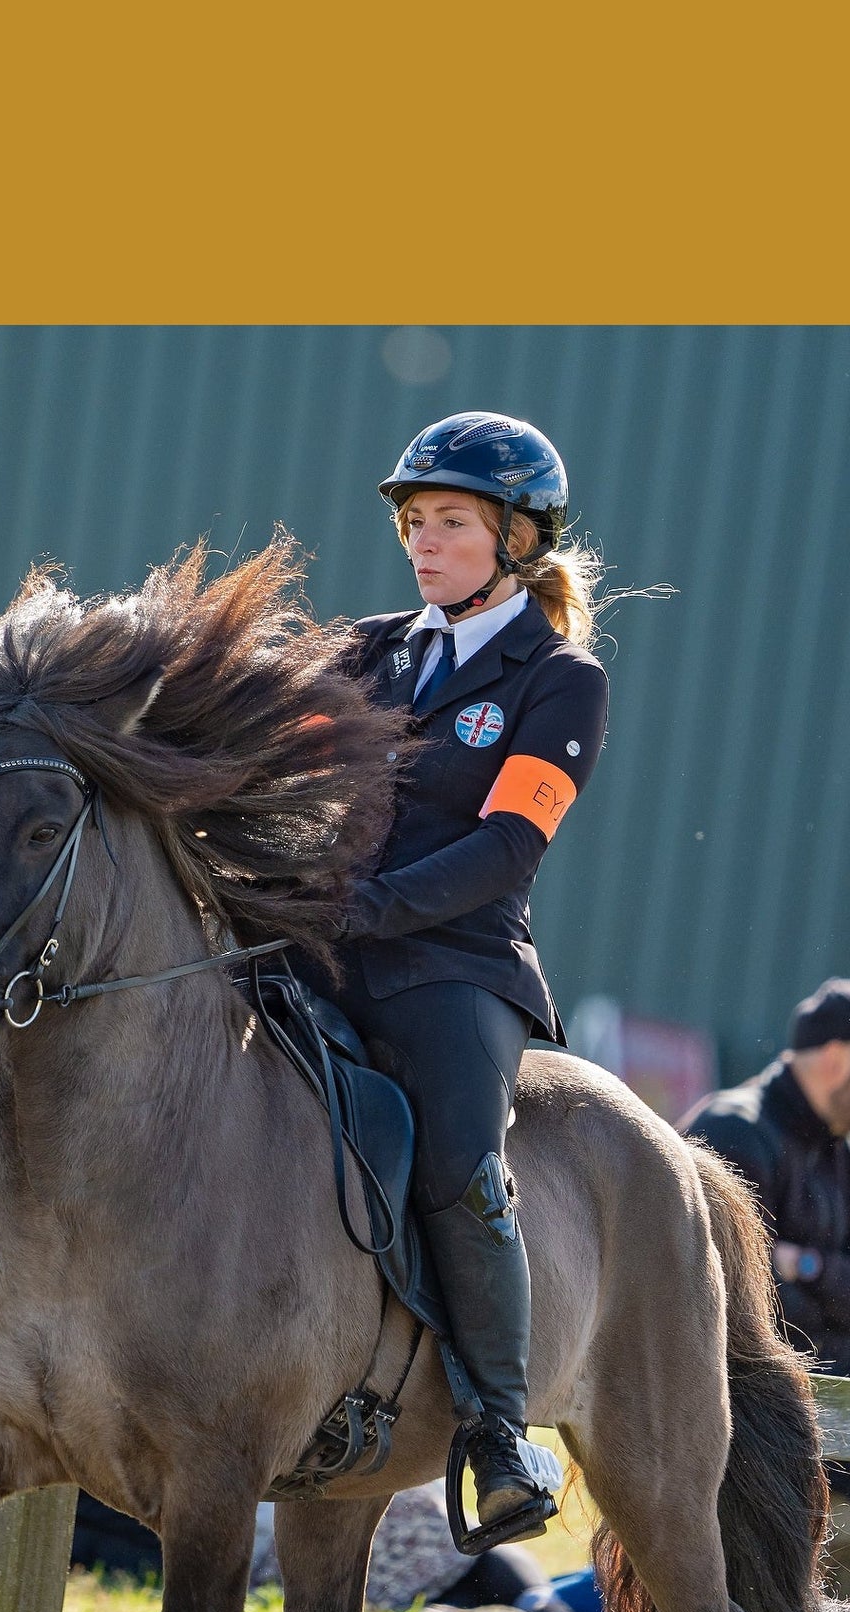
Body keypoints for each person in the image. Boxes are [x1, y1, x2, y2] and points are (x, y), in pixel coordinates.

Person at [315, 411, 609, 1547]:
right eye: (413, 523)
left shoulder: (558, 680)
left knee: (457, 1162)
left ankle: (495, 1430)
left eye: (448, 523)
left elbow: (505, 848)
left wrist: (365, 909)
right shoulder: (361, 649)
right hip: (317, 938)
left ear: (518, 538)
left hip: (453, 966)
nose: (422, 543)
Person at [683, 978, 850, 1375]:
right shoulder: (734, 1131)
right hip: (730, 1396)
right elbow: (737, 1302)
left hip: (814, 1401)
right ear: (836, 1060)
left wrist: (804, 1265)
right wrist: (837, 1300)